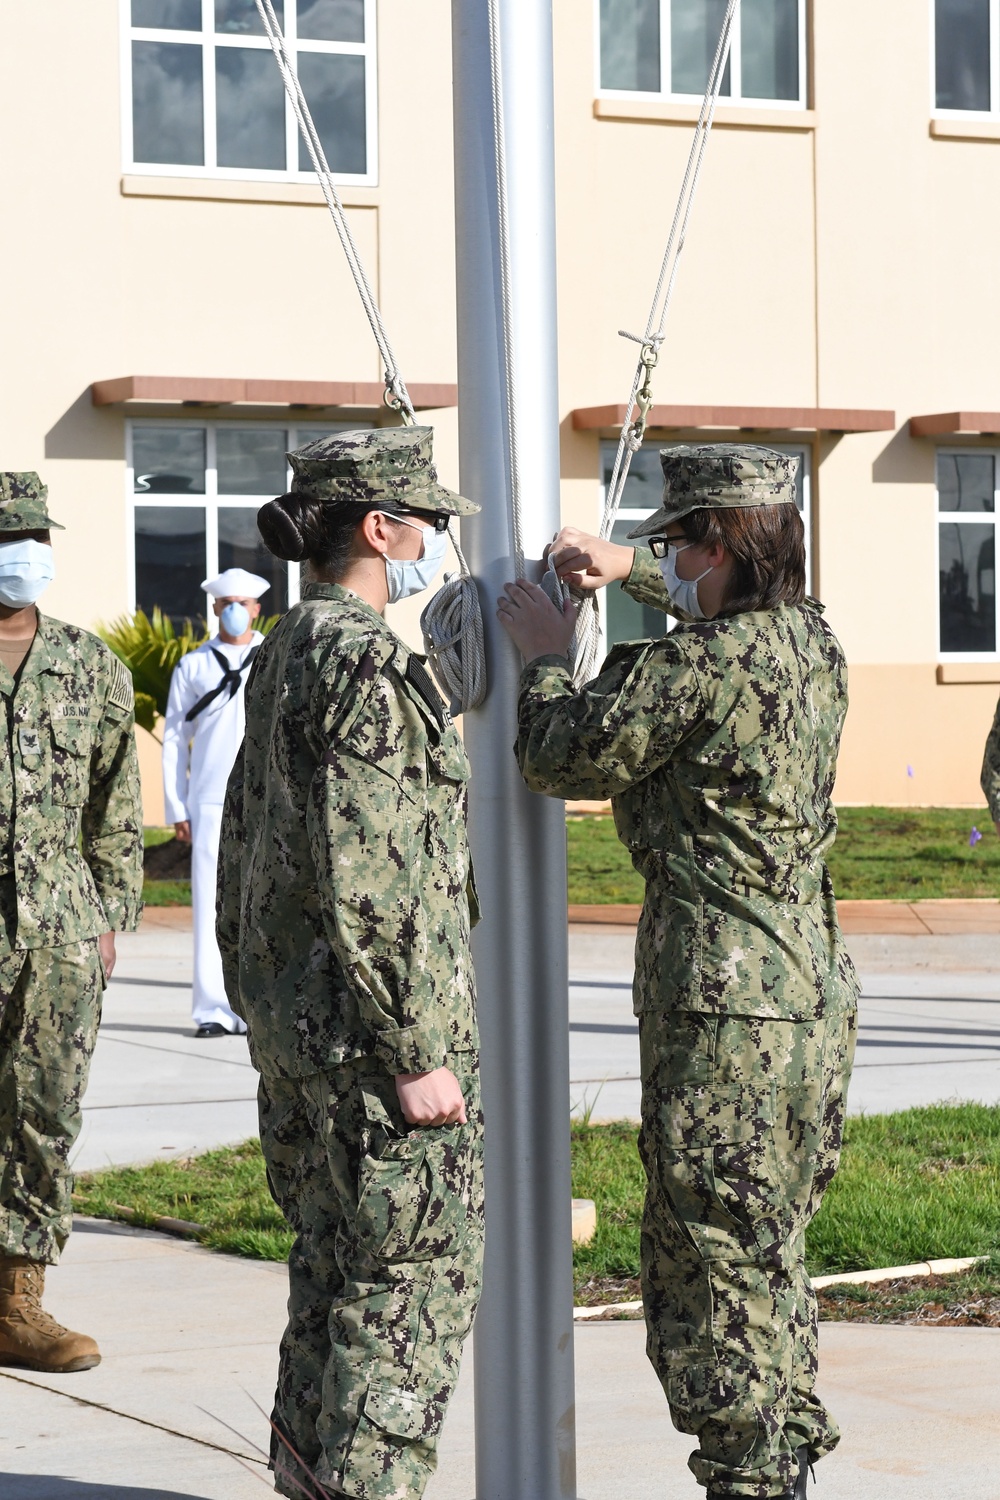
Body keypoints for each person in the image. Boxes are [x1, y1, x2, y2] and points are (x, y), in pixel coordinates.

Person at [497, 444, 857, 1500]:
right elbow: (721, 620)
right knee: (768, 1242)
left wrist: (544, 653)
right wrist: (633, 571)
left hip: (721, 1000)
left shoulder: (690, 667)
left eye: (680, 546)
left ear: (720, 544)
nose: (675, 564)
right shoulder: (812, 644)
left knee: (707, 1259)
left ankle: (747, 1480)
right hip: (809, 991)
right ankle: (780, 1462)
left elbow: (561, 755)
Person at [217, 427, 484, 1500]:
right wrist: (417, 1049)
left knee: (330, 1272)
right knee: (407, 1290)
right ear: (380, 526)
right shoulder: (364, 659)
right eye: (423, 521)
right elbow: (374, 874)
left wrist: (261, 1008)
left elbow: (246, 841)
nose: (428, 541)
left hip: (300, 1035)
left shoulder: (288, 646)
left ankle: (306, 1479)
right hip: (374, 1046)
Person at [0, 472, 143, 1374]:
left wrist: (108, 916)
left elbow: (114, 804)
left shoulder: (92, 667)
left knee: (41, 1114)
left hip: (55, 931)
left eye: (34, 536)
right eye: (12, 537)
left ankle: (18, 1300)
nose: (27, 556)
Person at [162, 568, 269, 1036]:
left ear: (257, 608)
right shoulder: (194, 666)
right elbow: (173, 738)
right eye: (227, 602)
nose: (235, 609)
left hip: (267, 797)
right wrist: (176, 806)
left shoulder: (273, 655)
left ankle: (257, 1009)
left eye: (244, 602)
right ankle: (211, 1010)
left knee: (263, 902)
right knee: (210, 904)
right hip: (209, 799)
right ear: (213, 608)